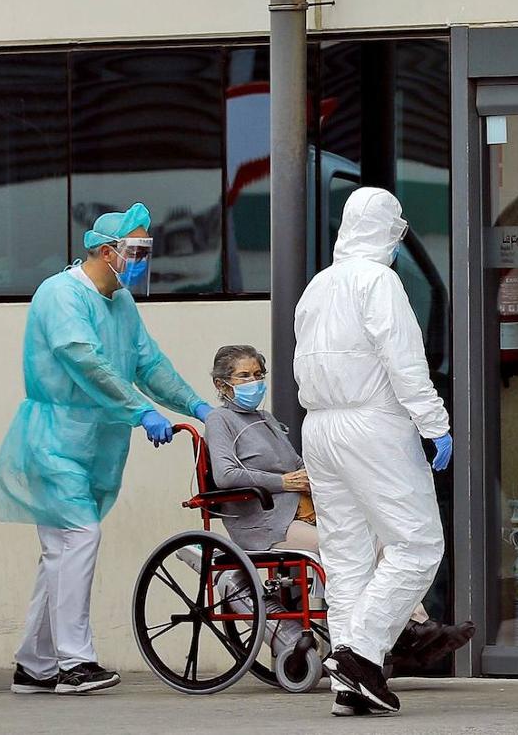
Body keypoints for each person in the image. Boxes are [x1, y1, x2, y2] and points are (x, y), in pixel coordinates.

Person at [0, 202, 213, 695]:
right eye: (134, 250)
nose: (140, 260)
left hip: (95, 444)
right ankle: (74, 662)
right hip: (54, 439)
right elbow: (84, 361)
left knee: (60, 551)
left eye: (145, 250)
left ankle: (34, 664)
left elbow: (147, 362)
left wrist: (195, 405)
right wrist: (141, 411)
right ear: (105, 250)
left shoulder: (121, 304)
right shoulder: (60, 295)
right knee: (79, 538)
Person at [202, 344, 473, 678]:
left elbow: (298, 464)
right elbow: (226, 475)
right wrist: (283, 482)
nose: (253, 382)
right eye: (244, 376)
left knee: (381, 545)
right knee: (347, 548)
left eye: (258, 375)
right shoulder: (220, 420)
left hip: (301, 511)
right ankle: (412, 630)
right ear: (221, 384)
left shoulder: (265, 419)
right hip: (264, 522)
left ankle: (414, 627)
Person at [294, 187, 453, 717]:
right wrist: (434, 424)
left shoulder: (317, 286)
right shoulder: (379, 282)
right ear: (388, 230)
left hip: (318, 428)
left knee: (346, 558)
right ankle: (360, 654)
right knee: (417, 544)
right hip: (373, 424)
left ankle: (348, 687)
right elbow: (404, 362)